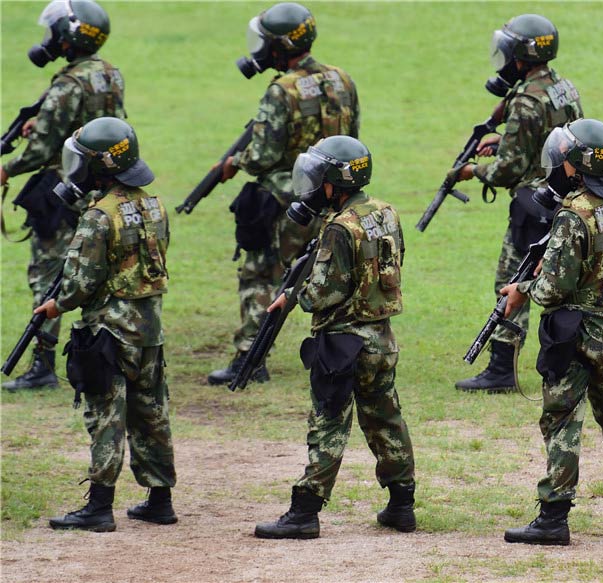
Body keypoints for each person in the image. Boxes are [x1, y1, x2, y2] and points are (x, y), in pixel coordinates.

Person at [500, 119, 603, 546]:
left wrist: (521, 290)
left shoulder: (574, 214)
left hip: (575, 333)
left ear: (576, 165)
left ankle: (553, 517)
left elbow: (554, 286)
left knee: (561, 420)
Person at [254, 136, 415, 539]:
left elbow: (323, 292)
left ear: (333, 183)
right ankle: (402, 505)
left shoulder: (339, 228)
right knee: (384, 419)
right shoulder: (384, 212)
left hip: (343, 344)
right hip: (381, 338)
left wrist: (295, 294)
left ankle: (304, 512)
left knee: (328, 423)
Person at [34, 117, 177, 532]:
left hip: (108, 333)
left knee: (105, 415)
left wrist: (54, 308)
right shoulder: (155, 204)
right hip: (149, 330)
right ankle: (160, 500)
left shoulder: (99, 216)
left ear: (100, 166)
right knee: (152, 413)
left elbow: (80, 283)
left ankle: (99, 507)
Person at [207, 2, 360, 386]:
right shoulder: (342, 79)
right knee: (330, 275)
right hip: (334, 198)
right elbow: (351, 141)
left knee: (260, 273)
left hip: (284, 199)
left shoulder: (281, 90)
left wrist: (235, 161)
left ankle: (250, 358)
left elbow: (263, 156)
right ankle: (347, 353)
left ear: (280, 46)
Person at [453, 13, 583, 394]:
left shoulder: (526, 100)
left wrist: (474, 171)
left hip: (535, 203)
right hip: (566, 197)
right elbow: (558, 140)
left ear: (522, 57)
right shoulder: (562, 87)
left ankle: (500, 369)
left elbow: (508, 170)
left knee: (512, 281)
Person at [1, 0, 125, 392]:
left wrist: (5, 169)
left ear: (69, 35)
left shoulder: (68, 83)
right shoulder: (109, 74)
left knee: (48, 273)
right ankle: (109, 350)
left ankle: (42, 364)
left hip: (62, 187)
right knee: (96, 270)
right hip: (99, 186)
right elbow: (99, 122)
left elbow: (38, 151)